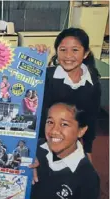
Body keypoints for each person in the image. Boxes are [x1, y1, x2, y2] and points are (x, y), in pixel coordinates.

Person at [37, 28, 101, 161]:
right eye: (63, 50)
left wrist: (88, 149)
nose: (68, 56)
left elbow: (91, 117)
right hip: (44, 142)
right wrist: (33, 56)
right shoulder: (45, 76)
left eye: (75, 50)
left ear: (85, 53)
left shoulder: (92, 82)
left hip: (71, 145)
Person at [30, 102, 100, 199]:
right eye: (50, 122)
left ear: (81, 131)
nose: (54, 130)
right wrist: (24, 166)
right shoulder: (34, 148)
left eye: (64, 124)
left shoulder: (87, 177)